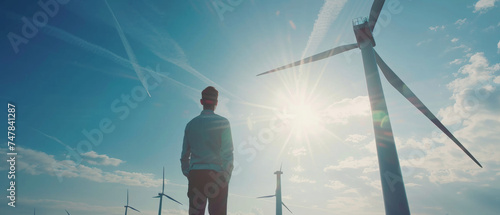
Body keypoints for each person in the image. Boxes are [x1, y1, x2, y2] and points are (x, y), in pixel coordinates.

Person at [180, 86, 234, 215]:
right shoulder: (223, 122)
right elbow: (227, 152)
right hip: (217, 175)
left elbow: (184, 156)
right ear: (216, 103)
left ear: (201, 102)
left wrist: (189, 173)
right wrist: (225, 176)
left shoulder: (190, 124)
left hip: (196, 175)